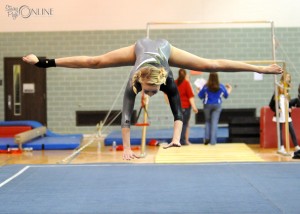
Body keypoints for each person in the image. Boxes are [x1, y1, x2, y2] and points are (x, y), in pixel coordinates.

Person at [22, 38, 283, 160]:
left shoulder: (166, 79)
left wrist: (176, 140)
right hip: (140, 48)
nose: (148, 94)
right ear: (139, 81)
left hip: (164, 49)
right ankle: (44, 62)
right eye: (146, 90)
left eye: (152, 91)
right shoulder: (134, 81)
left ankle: (257, 68)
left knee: (209, 63)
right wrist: (126, 148)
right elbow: (126, 114)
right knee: (96, 61)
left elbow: (178, 111)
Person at [269, 73, 300, 155]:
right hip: (280, 115)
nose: (284, 89)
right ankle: (281, 147)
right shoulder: (276, 96)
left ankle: (296, 146)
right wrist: (277, 109)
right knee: (280, 131)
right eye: (282, 87)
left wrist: (290, 108)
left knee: (291, 130)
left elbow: (288, 103)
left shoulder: (287, 94)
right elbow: (271, 105)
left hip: (286, 115)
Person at [197, 72, 232, 145]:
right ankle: (213, 142)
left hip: (207, 105)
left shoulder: (206, 86)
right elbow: (226, 96)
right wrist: (229, 89)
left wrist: (198, 90)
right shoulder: (221, 86)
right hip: (217, 105)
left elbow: (200, 96)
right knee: (214, 123)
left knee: (207, 122)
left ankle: (206, 138)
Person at [175, 68, 198, 145]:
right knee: (184, 124)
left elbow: (168, 93)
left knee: (178, 123)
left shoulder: (175, 83)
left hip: (176, 107)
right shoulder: (186, 83)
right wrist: (194, 107)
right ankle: (182, 140)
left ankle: (178, 139)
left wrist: (168, 101)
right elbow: (190, 97)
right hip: (185, 107)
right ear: (185, 75)